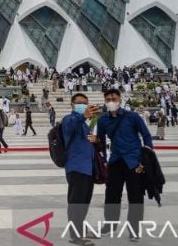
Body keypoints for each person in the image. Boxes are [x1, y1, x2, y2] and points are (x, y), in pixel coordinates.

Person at [97, 88, 153, 240]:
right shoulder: (103, 120)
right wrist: (103, 161)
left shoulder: (132, 117)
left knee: (135, 196)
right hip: (115, 161)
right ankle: (109, 224)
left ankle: (134, 229)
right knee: (111, 195)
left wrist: (145, 160)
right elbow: (100, 141)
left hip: (134, 162)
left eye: (113, 98)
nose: (111, 102)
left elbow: (146, 136)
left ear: (120, 99)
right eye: (108, 99)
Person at [61, 93, 101, 246]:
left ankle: (81, 228)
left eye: (85, 103)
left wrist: (96, 139)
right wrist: (83, 115)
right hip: (76, 168)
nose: (83, 105)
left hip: (88, 169)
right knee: (76, 203)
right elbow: (70, 126)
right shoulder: (69, 119)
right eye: (79, 103)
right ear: (72, 105)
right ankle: (76, 236)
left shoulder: (84, 123)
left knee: (84, 202)